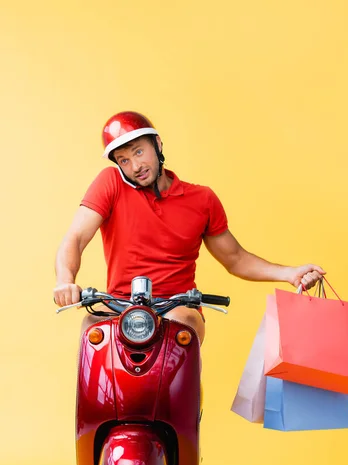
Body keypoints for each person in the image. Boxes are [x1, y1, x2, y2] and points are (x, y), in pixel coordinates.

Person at [54, 111, 325, 343]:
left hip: (177, 306)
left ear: (157, 145)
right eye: (124, 160)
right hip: (120, 305)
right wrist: (65, 281)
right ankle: (95, 405)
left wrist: (290, 273)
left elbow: (235, 259)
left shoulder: (202, 199)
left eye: (139, 151)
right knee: (92, 327)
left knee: (180, 325)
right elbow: (75, 238)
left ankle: (183, 403)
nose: (135, 166)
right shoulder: (110, 183)